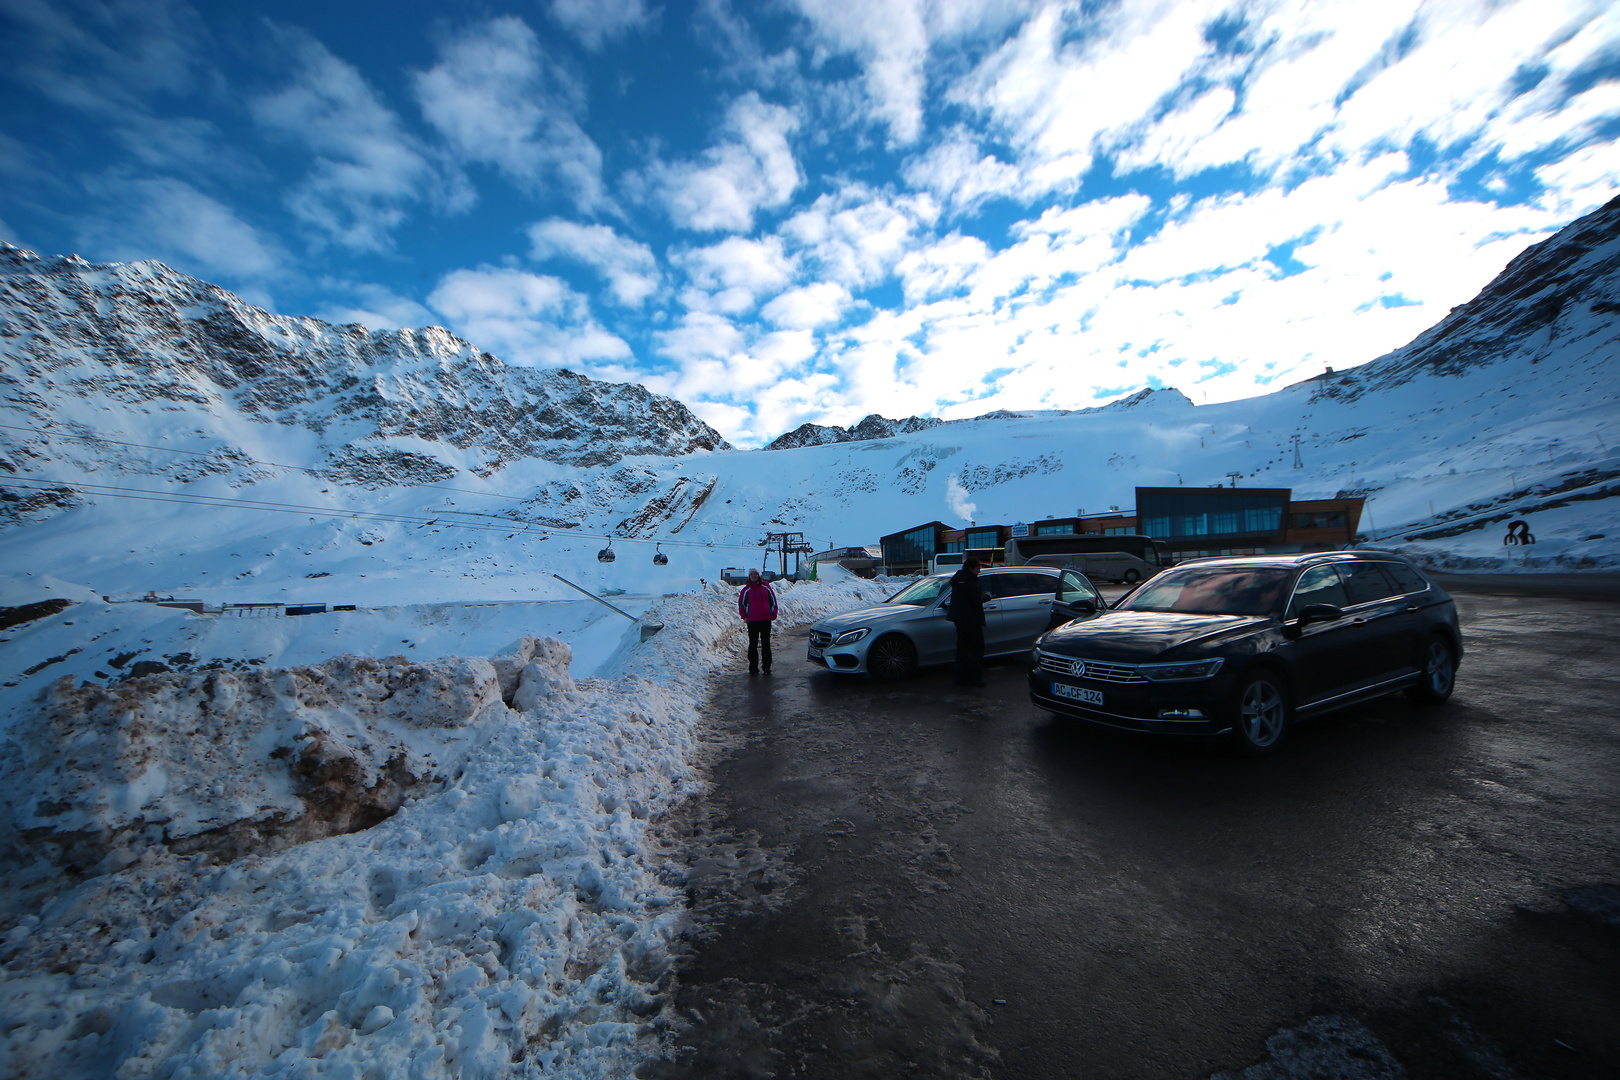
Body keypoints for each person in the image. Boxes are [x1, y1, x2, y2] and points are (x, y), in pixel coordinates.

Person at [947, 556, 988, 687]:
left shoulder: (958, 579)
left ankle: (960, 678)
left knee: (962, 649)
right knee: (976, 650)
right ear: (971, 568)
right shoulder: (969, 580)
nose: (979, 571)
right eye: (977, 568)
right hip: (971, 620)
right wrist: (986, 596)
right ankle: (975, 679)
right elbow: (975, 599)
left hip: (960, 620)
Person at [738, 568, 779, 674]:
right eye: (751, 574)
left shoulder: (766, 587)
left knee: (766, 643)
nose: (753, 575)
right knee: (753, 644)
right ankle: (753, 668)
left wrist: (773, 613)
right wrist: (744, 616)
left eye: (755, 574)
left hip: (765, 620)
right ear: (749, 576)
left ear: (759, 575)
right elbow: (741, 604)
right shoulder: (746, 590)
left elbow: (773, 601)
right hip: (753, 621)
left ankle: (766, 666)